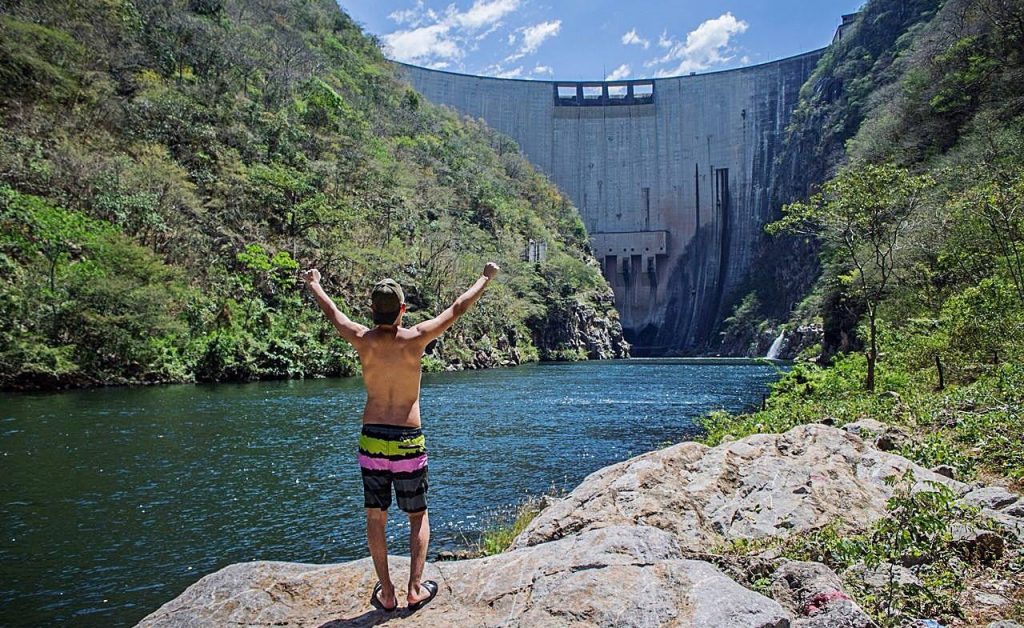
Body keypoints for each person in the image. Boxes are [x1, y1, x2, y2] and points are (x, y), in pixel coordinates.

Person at [300, 262, 500, 612]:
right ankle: (415, 589)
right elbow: (457, 308)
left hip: (373, 438)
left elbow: (332, 313)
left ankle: (388, 593)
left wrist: (315, 284)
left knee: (375, 516)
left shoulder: (362, 339)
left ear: (372, 309)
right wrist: (485, 278)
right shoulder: (415, 338)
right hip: (408, 438)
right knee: (417, 514)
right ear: (402, 309)